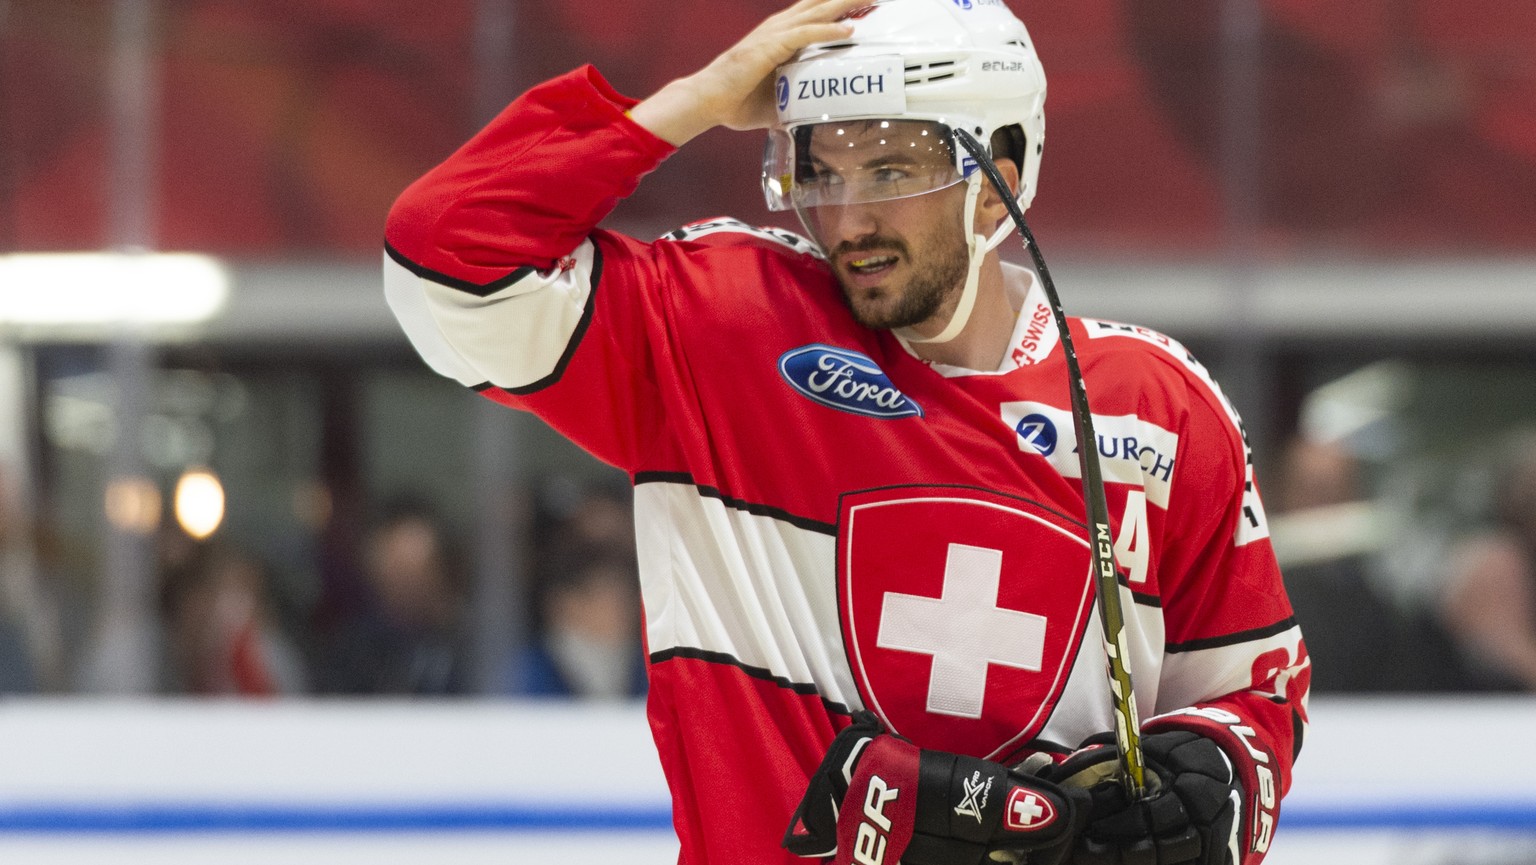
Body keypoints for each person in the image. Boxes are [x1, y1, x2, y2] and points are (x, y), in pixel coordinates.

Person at [384, 1, 1310, 862]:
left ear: (1000, 184)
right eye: (820, 171)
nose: (847, 217)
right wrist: (691, 103)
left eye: (892, 168)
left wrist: (1213, 779)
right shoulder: (721, 327)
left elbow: (1256, 693)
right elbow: (442, 259)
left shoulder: (1159, 409)